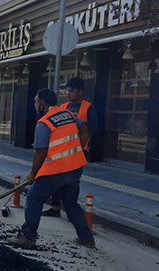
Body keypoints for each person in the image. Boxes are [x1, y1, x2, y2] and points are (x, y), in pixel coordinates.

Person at [7, 88, 95, 248]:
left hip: (56, 170)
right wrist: (79, 149)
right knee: (71, 204)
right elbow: (84, 128)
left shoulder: (44, 123)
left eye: (35, 102)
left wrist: (33, 174)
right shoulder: (69, 114)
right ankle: (86, 238)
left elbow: (40, 151)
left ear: (42, 104)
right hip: (75, 167)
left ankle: (28, 236)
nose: (34, 105)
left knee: (34, 198)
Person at [43, 77, 99, 218]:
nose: (68, 94)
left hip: (79, 151)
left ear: (80, 92)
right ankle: (55, 207)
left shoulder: (88, 107)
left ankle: (71, 211)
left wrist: (79, 147)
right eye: (67, 91)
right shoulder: (63, 107)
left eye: (71, 91)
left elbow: (92, 128)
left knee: (72, 181)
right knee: (56, 178)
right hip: (61, 150)